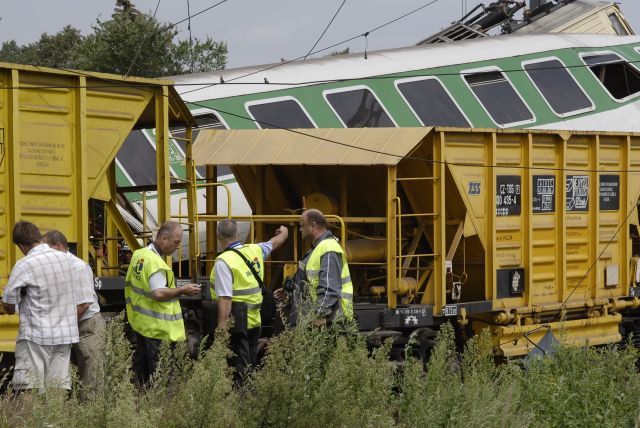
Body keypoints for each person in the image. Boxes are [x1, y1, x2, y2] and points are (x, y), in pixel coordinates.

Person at [2, 221, 80, 391]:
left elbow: (8, 303)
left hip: (36, 337)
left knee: (28, 385)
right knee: (58, 387)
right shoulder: (68, 260)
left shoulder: (25, 264)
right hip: (64, 335)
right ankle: (56, 419)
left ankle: (30, 418)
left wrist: (10, 306)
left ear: (22, 246)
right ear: (38, 236)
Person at [211, 219, 288, 385]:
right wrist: (284, 233)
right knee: (250, 363)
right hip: (255, 321)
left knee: (240, 367)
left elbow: (225, 298)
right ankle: (249, 400)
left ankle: (242, 401)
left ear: (218, 236)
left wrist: (222, 327)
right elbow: (274, 243)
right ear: (238, 234)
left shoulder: (223, 261)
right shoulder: (255, 250)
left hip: (237, 323)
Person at [125, 221, 200, 386]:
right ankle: (162, 408)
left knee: (143, 373)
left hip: (143, 325)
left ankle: (143, 404)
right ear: (164, 238)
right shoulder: (155, 263)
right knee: (161, 377)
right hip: (158, 329)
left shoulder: (140, 255)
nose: (178, 247)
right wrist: (183, 290)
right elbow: (158, 293)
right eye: (176, 242)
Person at [43, 230, 105, 396]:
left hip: (86, 325)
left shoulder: (77, 267)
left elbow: (83, 304)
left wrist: (63, 327)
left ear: (59, 246)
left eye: (46, 249)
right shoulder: (56, 267)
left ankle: (92, 415)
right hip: (72, 323)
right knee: (73, 372)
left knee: (91, 374)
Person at [275, 209, 353, 326]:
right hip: (321, 321)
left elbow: (329, 289)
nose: (300, 229)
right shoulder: (317, 249)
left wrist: (317, 316)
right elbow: (308, 280)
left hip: (328, 323)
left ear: (312, 225)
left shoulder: (328, 248)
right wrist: (289, 290)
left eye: (302, 225)